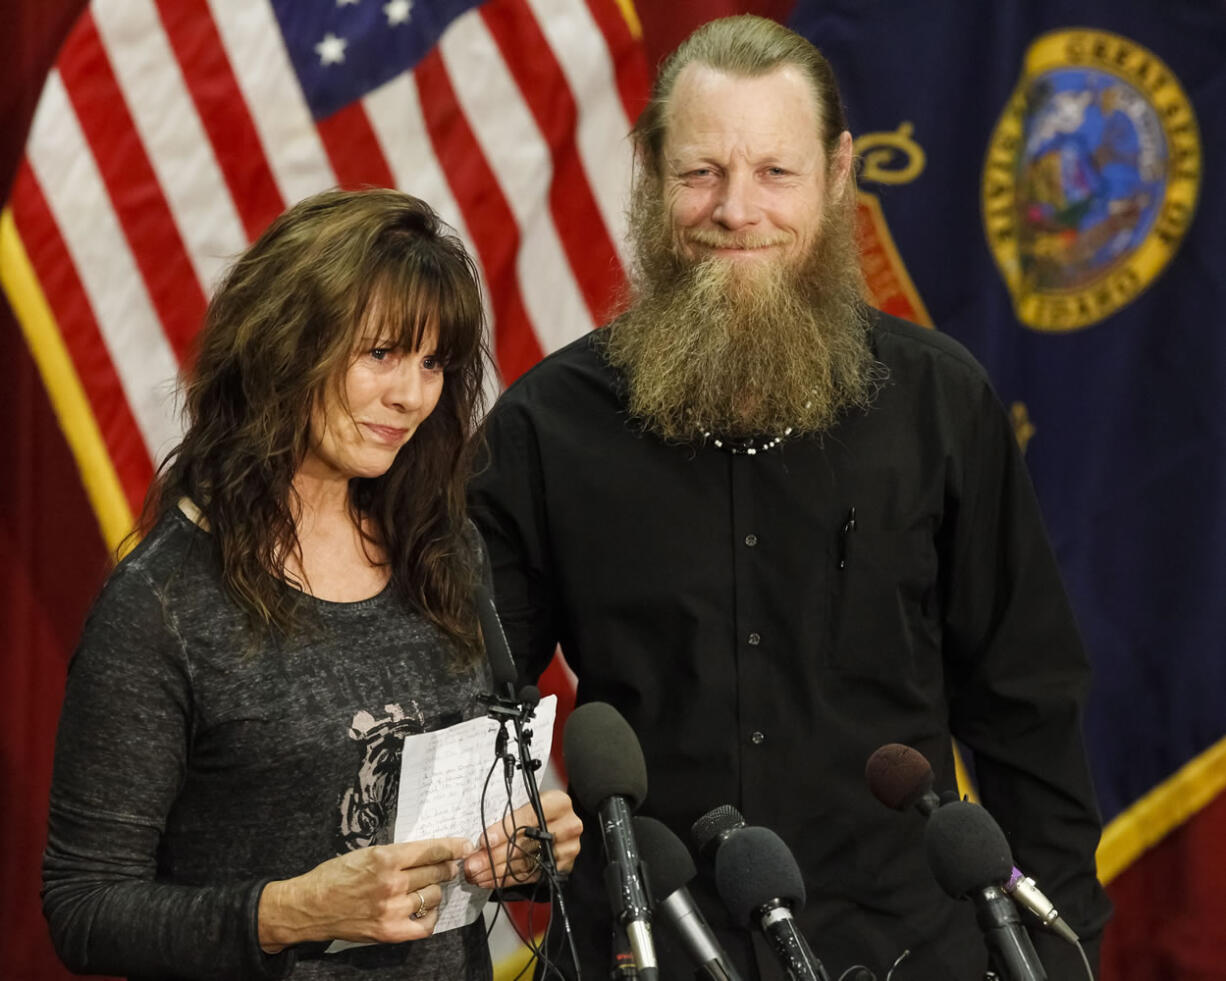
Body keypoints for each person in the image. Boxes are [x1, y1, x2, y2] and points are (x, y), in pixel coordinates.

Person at [469, 16, 1112, 981]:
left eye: (776, 172)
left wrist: (1058, 962)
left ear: (838, 172)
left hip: (903, 947)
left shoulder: (942, 404)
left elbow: (1029, 718)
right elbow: (469, 714)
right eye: (700, 173)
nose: (737, 210)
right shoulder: (543, 428)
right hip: (642, 951)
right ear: (648, 173)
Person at [42, 188, 582, 981]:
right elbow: (83, 906)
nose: (412, 395)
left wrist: (528, 846)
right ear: (286, 345)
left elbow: (463, 817)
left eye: (433, 363)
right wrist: (290, 911)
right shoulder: (163, 604)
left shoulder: (443, 549)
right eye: (383, 354)